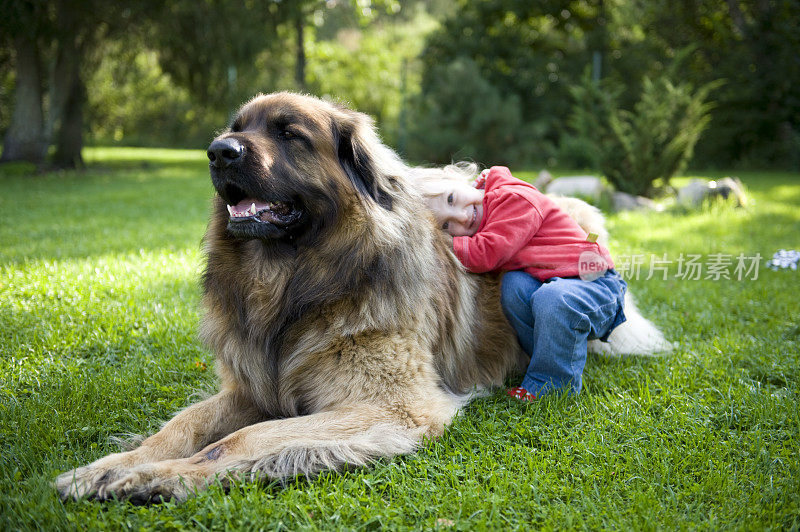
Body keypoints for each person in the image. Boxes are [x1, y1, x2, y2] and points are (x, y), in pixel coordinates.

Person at [415, 164, 627, 400]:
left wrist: (444, 243)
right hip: (559, 282)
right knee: (514, 286)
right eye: (447, 225)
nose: (462, 217)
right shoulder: (489, 209)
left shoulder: (513, 199)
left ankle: (553, 385)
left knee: (554, 299)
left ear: (453, 175)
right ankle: (549, 357)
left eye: (451, 199)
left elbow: (487, 252)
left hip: (595, 283)